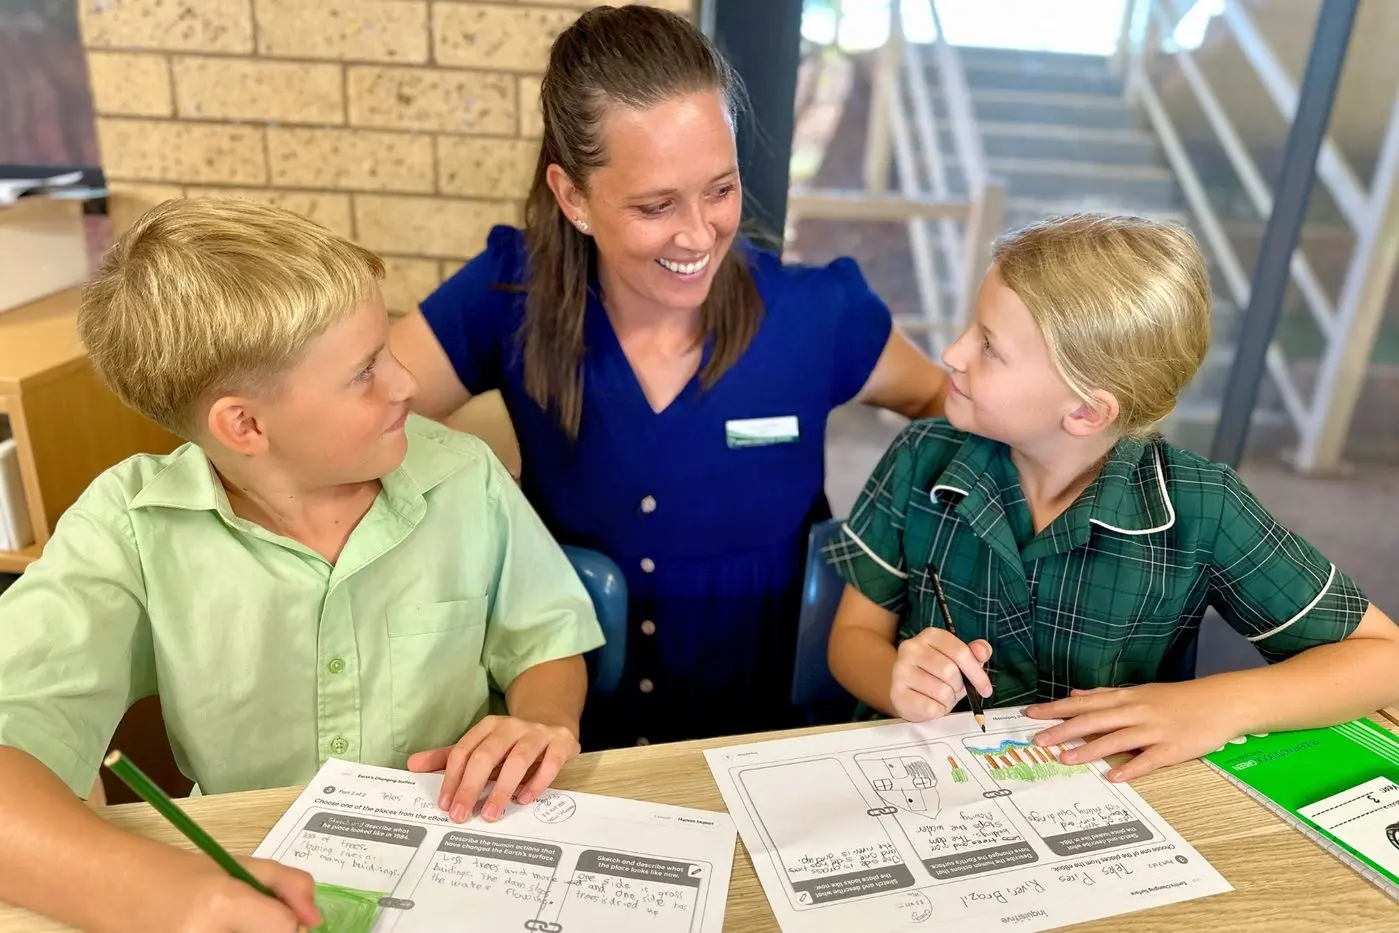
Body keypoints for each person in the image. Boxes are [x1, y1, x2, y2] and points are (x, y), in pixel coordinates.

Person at [0, 198, 605, 932]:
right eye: (363, 372)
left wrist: (541, 717)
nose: (407, 383)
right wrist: (161, 891)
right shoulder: (128, 529)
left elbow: (547, 636)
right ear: (245, 424)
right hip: (245, 874)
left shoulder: (463, 477)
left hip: (462, 855)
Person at [390, 4, 949, 749]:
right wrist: (471, 525)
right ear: (572, 196)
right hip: (566, 738)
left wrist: (907, 568)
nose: (698, 234)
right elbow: (361, 414)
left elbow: (954, 409)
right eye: (655, 205)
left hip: (772, 736)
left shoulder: (820, 313)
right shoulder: (507, 293)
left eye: (719, 189)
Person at [825, 213, 1399, 783]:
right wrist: (898, 681)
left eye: (990, 347)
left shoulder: (1203, 504)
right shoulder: (920, 454)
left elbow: (1385, 658)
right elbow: (852, 639)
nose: (951, 352)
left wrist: (1221, 703)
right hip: (915, 778)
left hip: (1107, 801)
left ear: (1085, 411)